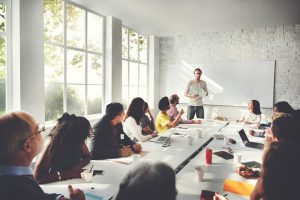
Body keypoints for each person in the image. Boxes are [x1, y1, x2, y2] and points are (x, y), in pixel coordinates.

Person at [0, 111, 85, 200]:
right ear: (28, 146)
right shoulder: (21, 189)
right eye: (39, 130)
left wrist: (58, 198)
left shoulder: (13, 179)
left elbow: (37, 195)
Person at [34, 113, 91, 184]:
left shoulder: (77, 139)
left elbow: (87, 157)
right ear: (70, 134)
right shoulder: (52, 143)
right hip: (55, 183)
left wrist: (76, 168)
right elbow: (37, 178)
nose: (82, 141)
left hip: (74, 180)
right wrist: (71, 173)